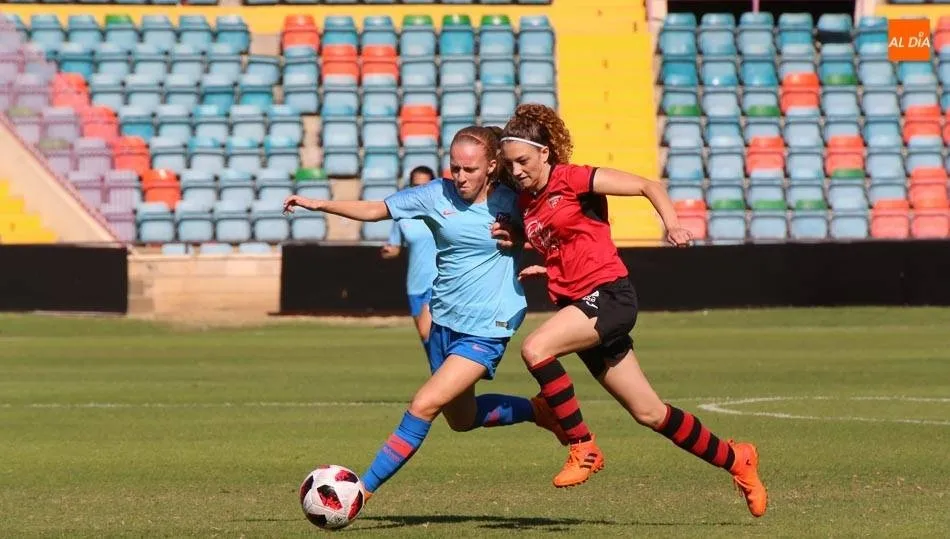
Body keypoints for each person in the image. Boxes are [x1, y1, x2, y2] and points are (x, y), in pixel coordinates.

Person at [493, 104, 768, 517]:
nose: (516, 171)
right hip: (580, 304)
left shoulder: (573, 178)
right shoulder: (528, 201)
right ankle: (737, 459)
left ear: (545, 153)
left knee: (536, 349)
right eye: (510, 164)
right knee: (649, 412)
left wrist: (672, 224)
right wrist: (543, 260)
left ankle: (582, 445)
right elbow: (568, 240)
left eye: (523, 161)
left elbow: (646, 185)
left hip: (608, 296)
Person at [282, 126, 566, 502]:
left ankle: (359, 492)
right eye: (455, 168)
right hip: (444, 320)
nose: (460, 177)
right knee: (461, 419)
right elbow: (377, 209)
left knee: (424, 405)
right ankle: (538, 410)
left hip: (488, 326)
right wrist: (320, 204)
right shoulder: (434, 194)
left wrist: (528, 242)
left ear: (491, 166)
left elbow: (559, 227)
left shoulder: (513, 199)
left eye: (470, 169)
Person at [380, 166, 438, 343]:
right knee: (427, 342)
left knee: (426, 332)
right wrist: (387, 251)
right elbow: (395, 247)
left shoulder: (442, 213)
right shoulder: (403, 216)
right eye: (415, 186)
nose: (419, 190)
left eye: (424, 186)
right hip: (415, 284)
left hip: (437, 282)